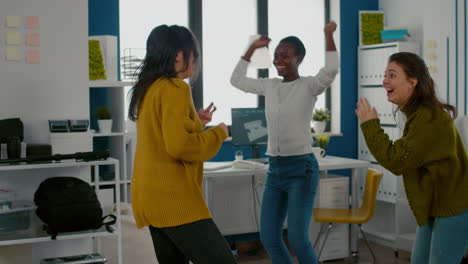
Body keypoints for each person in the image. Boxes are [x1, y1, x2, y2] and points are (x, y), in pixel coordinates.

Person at [230, 21, 339, 264]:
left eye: (285, 55)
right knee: (269, 237)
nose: (279, 59)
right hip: (276, 169)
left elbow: (331, 70)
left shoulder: (309, 86)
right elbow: (236, 80)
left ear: (298, 58)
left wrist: (328, 35)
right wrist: (251, 49)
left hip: (301, 169)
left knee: (299, 239)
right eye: (276, 55)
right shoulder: (270, 85)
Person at [127, 24, 236, 264]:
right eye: (193, 55)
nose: (195, 62)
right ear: (179, 55)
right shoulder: (176, 88)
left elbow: (161, 134)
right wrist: (219, 133)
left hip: (149, 199)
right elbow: (180, 147)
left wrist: (195, 121)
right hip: (174, 200)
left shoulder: (150, 87)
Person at [355, 52, 468, 264]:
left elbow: (396, 160)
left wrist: (370, 125)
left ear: (412, 82)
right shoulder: (418, 114)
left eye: (392, 75)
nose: (384, 81)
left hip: (452, 207)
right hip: (434, 206)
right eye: (384, 75)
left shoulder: (428, 118)